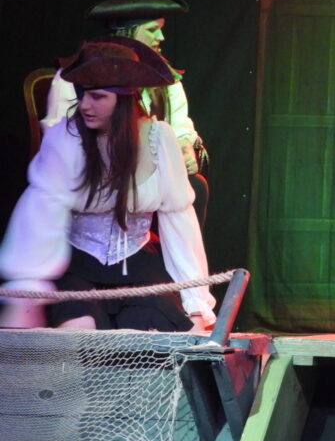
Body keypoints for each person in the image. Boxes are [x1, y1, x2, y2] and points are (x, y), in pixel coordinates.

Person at [0, 38, 217, 331]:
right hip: (77, 268)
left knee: (149, 331)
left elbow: (179, 222)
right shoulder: (65, 138)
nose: (85, 105)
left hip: (138, 265)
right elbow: (40, 215)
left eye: (98, 97)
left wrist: (196, 301)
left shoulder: (159, 138)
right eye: (83, 95)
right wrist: (27, 289)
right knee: (79, 330)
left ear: (124, 100)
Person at [42, 0, 211, 225]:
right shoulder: (78, 74)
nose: (161, 37)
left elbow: (179, 126)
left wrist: (185, 149)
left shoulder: (165, 78)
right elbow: (59, 137)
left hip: (147, 174)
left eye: (161, 29)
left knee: (195, 187)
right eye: (152, 30)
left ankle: (166, 249)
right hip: (93, 175)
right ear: (127, 32)